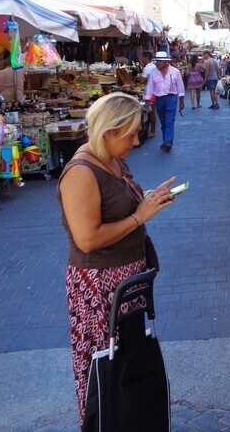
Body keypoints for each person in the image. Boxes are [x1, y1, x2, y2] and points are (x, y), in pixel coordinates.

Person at [57, 92, 176, 425]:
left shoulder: (112, 159)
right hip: (98, 286)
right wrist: (140, 217)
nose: (137, 141)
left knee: (129, 360)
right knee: (105, 365)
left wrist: (148, 199)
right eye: (131, 134)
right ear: (108, 132)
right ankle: (104, 421)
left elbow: (120, 206)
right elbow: (87, 238)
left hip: (125, 283)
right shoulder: (80, 173)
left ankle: (130, 419)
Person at [143, 51, 185, 151]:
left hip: (171, 98)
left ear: (166, 62)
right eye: (157, 61)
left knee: (169, 120)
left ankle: (168, 141)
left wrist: (181, 100)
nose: (158, 63)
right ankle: (166, 140)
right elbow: (150, 87)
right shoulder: (154, 74)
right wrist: (147, 100)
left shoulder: (175, 72)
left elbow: (180, 86)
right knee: (163, 121)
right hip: (160, 99)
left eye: (160, 61)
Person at [139, 51, 157, 137]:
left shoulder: (148, 67)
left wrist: (139, 78)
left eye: (142, 57)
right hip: (154, 90)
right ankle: (150, 130)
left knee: (151, 112)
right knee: (151, 112)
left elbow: (142, 81)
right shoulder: (153, 66)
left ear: (146, 58)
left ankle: (152, 131)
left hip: (151, 92)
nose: (141, 59)